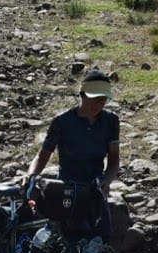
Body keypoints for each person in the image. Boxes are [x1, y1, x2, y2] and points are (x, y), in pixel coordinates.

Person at [24, 68, 120, 238]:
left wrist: (106, 182)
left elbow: (113, 162)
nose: (98, 104)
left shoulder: (111, 121)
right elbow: (42, 156)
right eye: (94, 99)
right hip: (67, 187)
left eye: (103, 99)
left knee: (101, 239)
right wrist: (31, 176)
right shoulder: (62, 122)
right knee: (65, 237)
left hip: (95, 188)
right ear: (82, 95)